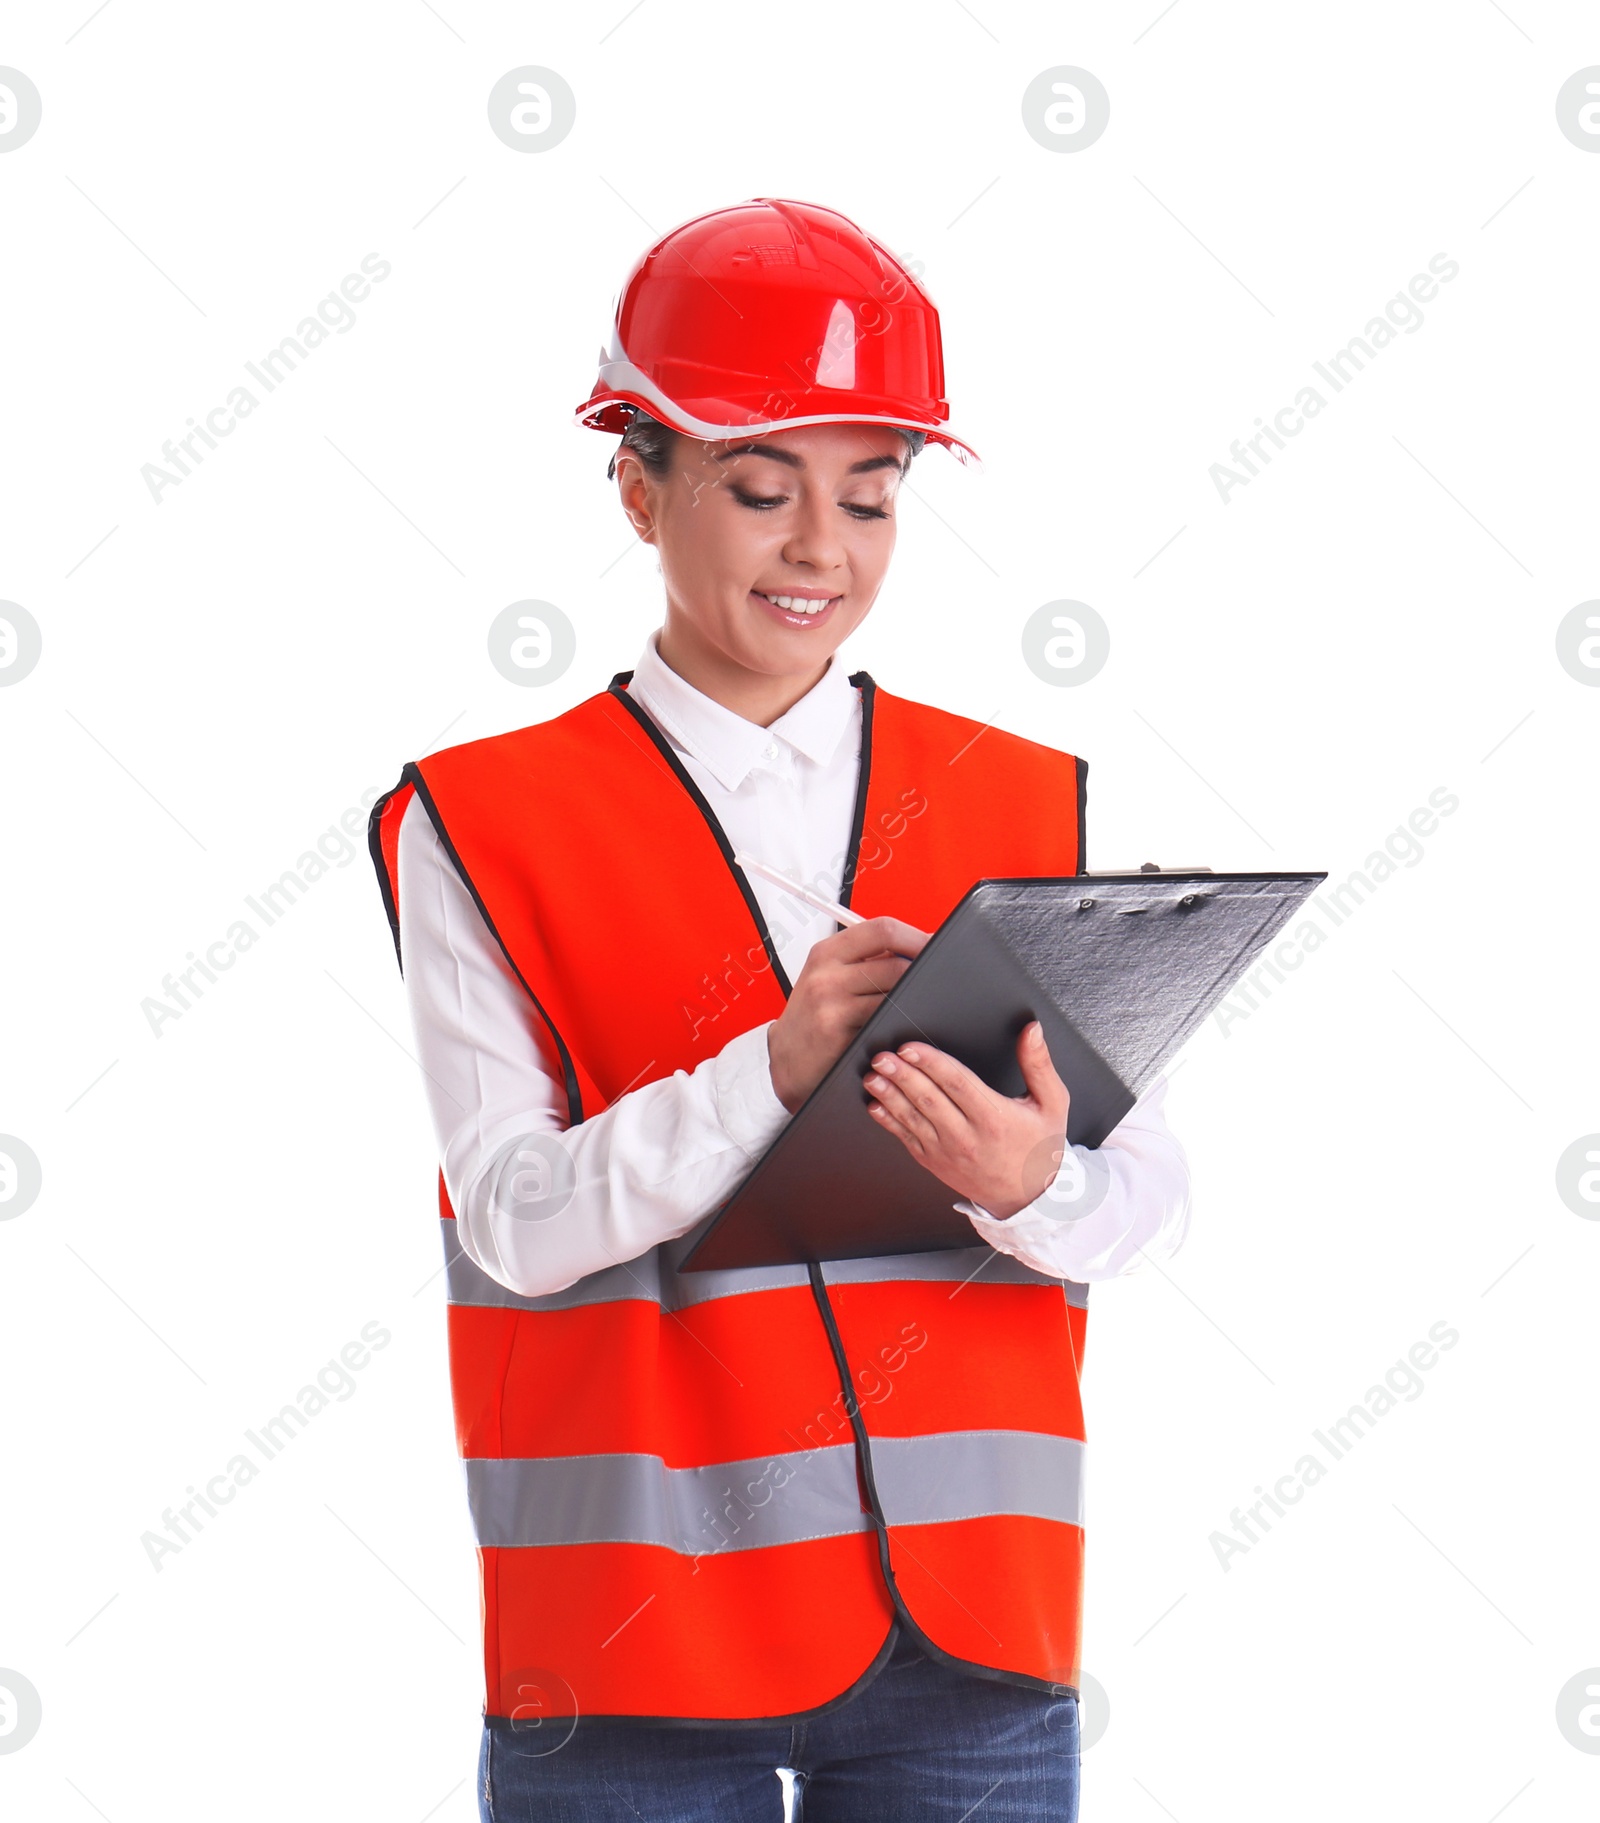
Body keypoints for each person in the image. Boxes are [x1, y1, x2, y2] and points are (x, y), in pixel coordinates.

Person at [368, 197, 1192, 1822]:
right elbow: (519, 1222)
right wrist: (775, 1069)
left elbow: (1148, 1193)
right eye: (762, 489)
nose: (823, 548)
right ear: (637, 486)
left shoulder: (1020, 799)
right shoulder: (479, 821)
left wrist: (1042, 1184)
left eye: (871, 498)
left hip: (974, 1641)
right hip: (632, 1650)